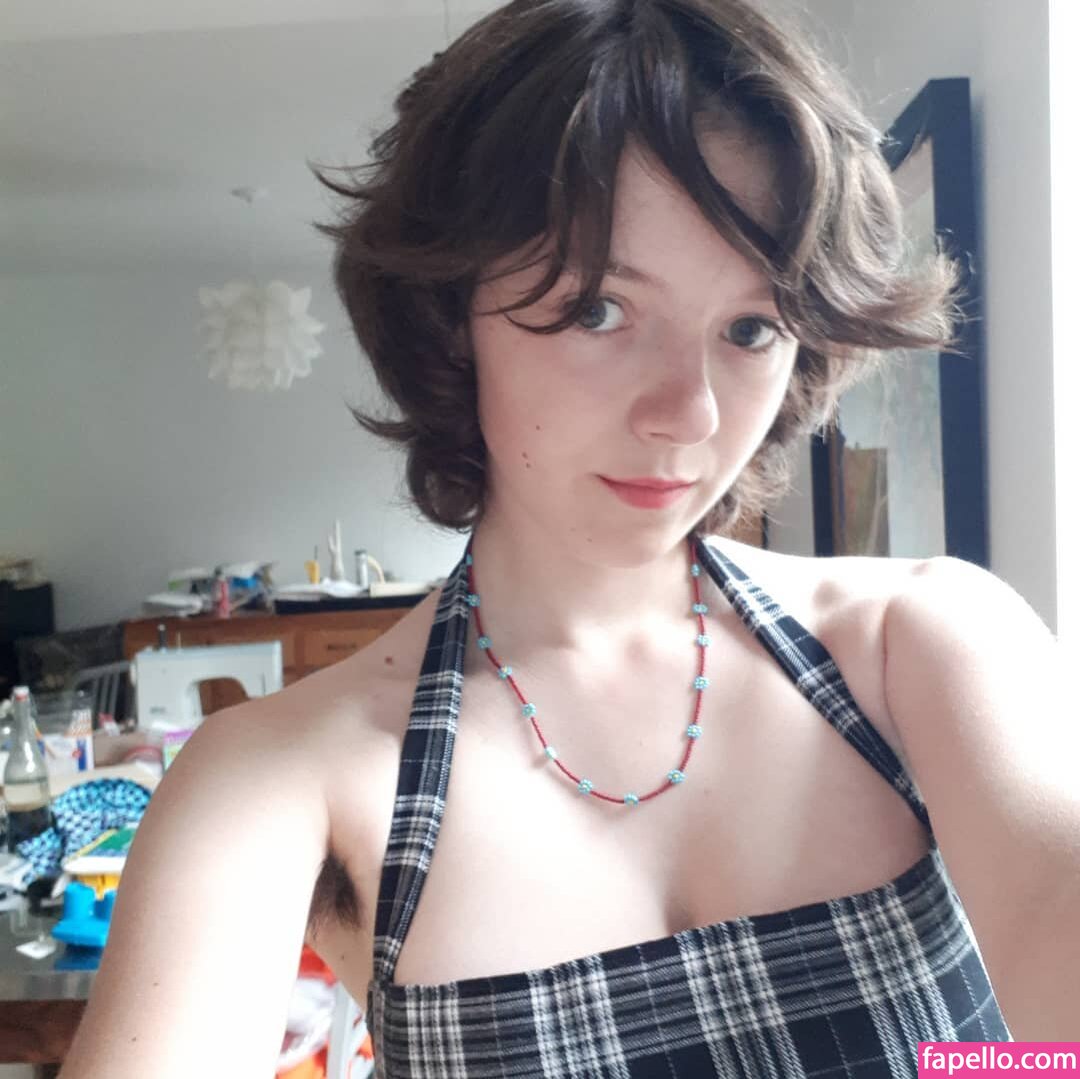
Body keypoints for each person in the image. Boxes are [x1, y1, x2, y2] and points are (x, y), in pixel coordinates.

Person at [61, 0, 1076, 1075]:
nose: (689, 412)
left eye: (750, 328)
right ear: (452, 320)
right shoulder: (278, 778)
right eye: (599, 309)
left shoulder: (921, 642)